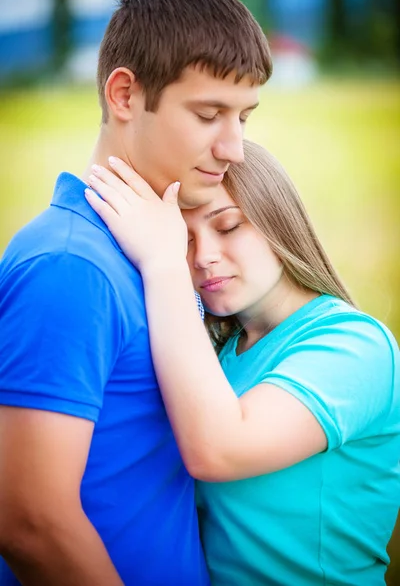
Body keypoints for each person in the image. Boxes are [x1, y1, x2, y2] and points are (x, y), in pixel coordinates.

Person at [0, 0, 272, 584]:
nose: (234, 148)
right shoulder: (71, 267)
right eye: (208, 115)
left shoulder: (169, 257)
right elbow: (30, 519)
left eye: (244, 117)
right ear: (125, 94)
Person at [84, 140, 400, 586]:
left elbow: (219, 451)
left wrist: (161, 262)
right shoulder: (213, 352)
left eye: (228, 227)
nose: (202, 256)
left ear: (278, 222)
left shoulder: (354, 346)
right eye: (183, 240)